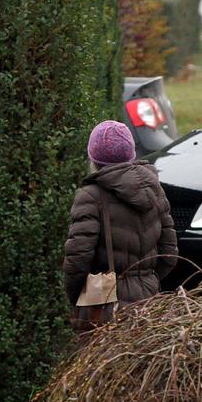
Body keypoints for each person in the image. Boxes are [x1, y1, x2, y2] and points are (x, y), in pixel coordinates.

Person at [64, 120, 178, 333]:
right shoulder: (154, 189)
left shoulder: (91, 196)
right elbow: (169, 254)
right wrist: (145, 280)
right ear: (131, 154)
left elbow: (77, 259)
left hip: (103, 303)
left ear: (94, 158)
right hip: (148, 300)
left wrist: (76, 296)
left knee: (100, 363)